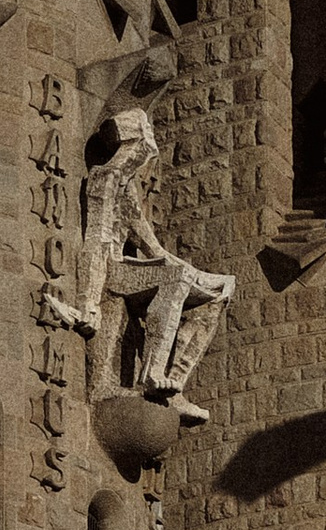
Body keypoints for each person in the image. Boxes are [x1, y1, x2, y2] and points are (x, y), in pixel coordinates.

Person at [52, 108, 235, 420]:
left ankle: (174, 383)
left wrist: (206, 278)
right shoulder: (105, 179)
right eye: (143, 145)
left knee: (217, 291)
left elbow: (151, 245)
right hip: (109, 270)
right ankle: (151, 374)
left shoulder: (127, 187)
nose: (146, 154)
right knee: (176, 278)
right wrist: (88, 303)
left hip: (126, 269)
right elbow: (96, 242)